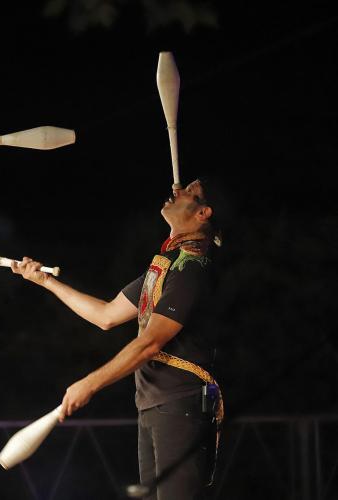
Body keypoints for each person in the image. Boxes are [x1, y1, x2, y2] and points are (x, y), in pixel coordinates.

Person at [12, 179, 223, 499]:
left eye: (189, 192)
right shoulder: (165, 267)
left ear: (203, 212)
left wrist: (90, 383)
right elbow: (106, 315)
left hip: (181, 404)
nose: (176, 190)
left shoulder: (192, 269)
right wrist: (45, 281)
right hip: (153, 404)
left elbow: (150, 343)